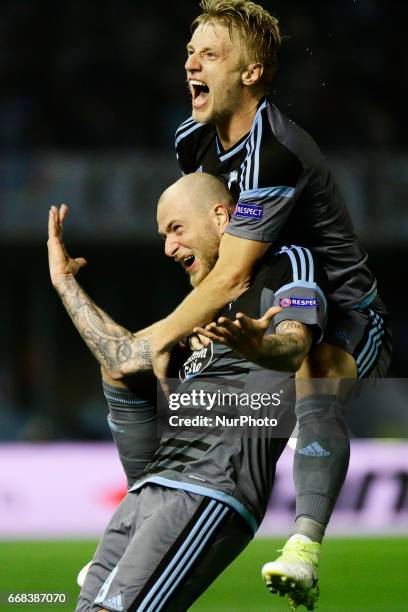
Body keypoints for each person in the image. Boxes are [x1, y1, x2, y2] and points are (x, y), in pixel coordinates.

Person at [139, 1, 391, 607]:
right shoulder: (190, 140)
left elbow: (234, 271)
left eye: (208, 53)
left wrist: (156, 335)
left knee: (318, 369)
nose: (189, 63)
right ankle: (133, 548)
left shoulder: (276, 148)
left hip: (343, 308)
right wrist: (197, 320)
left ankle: (304, 547)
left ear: (251, 72)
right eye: (189, 51)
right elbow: (207, 242)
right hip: (258, 298)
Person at [48, 172, 328, 611]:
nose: (168, 248)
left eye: (177, 229)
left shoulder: (284, 264)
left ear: (221, 218)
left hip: (209, 485)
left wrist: (262, 344)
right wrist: (65, 284)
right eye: (163, 235)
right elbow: (119, 360)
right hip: (147, 495)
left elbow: (296, 342)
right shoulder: (199, 314)